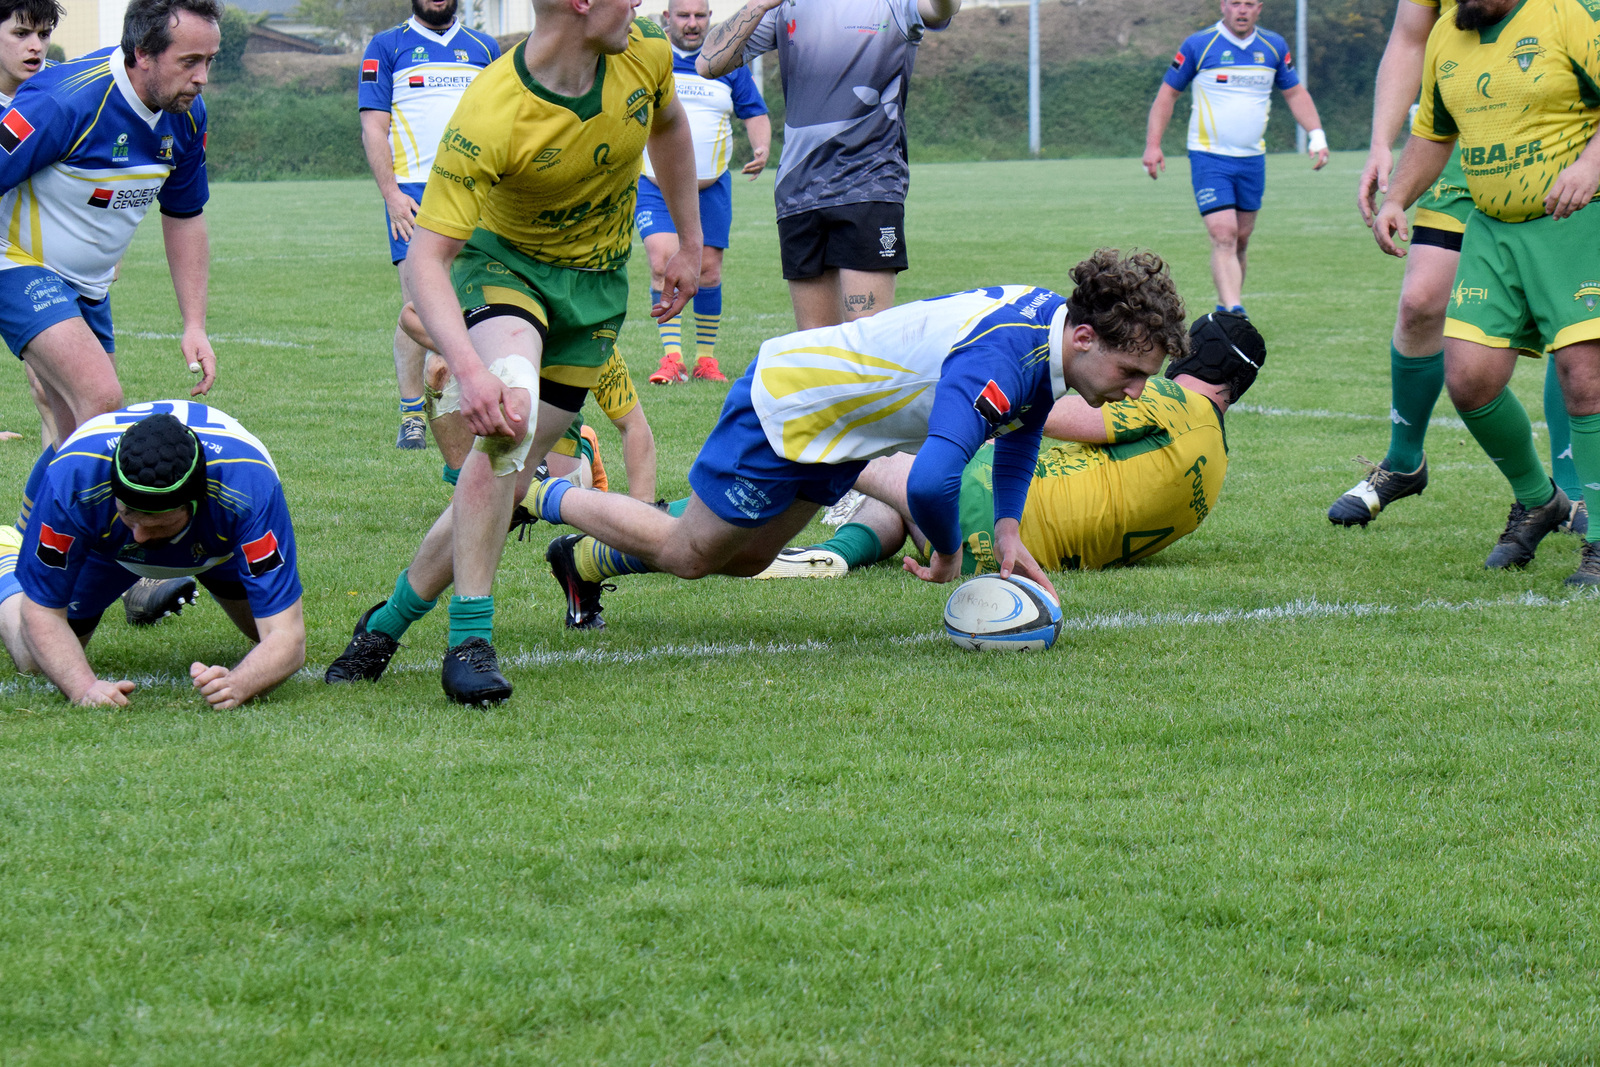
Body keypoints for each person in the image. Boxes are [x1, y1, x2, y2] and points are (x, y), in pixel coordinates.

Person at [323, 0, 703, 706]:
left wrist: (690, 239)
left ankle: (385, 623)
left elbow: (671, 127)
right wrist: (469, 371)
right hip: (505, 271)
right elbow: (426, 261)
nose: (640, 4)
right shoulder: (492, 108)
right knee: (510, 417)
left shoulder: (644, 50)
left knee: (503, 470)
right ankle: (470, 641)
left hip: (594, 292)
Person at [531, 250, 1189, 631]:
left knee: (750, 558)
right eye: (1130, 373)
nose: (1137, 391)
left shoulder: (1052, 332)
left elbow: (1024, 424)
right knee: (690, 552)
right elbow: (931, 480)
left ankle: (581, 562)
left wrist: (1009, 526)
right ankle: (539, 493)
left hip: (843, 433)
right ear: (1085, 338)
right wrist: (948, 551)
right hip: (791, 402)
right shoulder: (1002, 357)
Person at [759, 312, 1265, 579]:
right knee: (904, 493)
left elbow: (1049, 411)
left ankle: (746, 479)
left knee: (851, 445)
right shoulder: (1215, 467)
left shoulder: (1175, 400)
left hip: (1002, 519)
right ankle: (836, 555)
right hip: (1020, 560)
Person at [1331, 0, 1583, 534]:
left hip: (1556, 138)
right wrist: (1382, 143)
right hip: (1462, 144)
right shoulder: (1450, 28)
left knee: (1573, 332)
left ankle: (1575, 489)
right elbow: (1409, 39)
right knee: (1421, 303)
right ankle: (1405, 461)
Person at [0, 403, 306, 708]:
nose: (140, 537)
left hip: (218, 549)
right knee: (33, 660)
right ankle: (4, 557)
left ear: (196, 504)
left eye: (157, 524)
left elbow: (287, 637)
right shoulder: (75, 481)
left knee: (263, 635)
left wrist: (238, 684)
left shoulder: (247, 490)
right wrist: (84, 688)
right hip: (107, 549)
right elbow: (42, 613)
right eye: (128, 515)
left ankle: (146, 573)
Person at [696, 0, 960, 331]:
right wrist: (759, 5)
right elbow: (708, 63)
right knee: (816, 347)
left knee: (868, 340)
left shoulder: (895, 4)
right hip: (798, 190)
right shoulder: (785, 7)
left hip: (868, 186)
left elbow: (943, 8)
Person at [359, 0, 499, 450]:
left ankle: (465, 406)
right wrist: (391, 195)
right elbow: (374, 128)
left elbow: (503, 123)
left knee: (481, 301)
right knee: (417, 308)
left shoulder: (485, 48)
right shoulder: (386, 47)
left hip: (478, 192)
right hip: (414, 196)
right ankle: (412, 412)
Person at [1142, 0, 1328, 316]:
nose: (1242, 10)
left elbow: (1295, 93)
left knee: (1240, 239)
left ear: (1260, 8)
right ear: (1223, 6)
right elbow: (1167, 95)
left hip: (1252, 159)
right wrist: (1153, 144)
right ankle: (1234, 309)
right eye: (1235, 3)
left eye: (1249, 3)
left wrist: (1317, 135)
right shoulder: (1199, 45)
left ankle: (1226, 307)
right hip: (1209, 156)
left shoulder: (1273, 46)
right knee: (1223, 233)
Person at [640, 0, 770, 385]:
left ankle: (705, 361)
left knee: (708, 269)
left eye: (699, 15)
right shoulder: (652, 57)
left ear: (710, 18)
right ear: (668, 18)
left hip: (710, 188)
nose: (692, 23)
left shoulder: (725, 62)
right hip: (655, 184)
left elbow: (754, 111)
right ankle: (672, 359)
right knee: (662, 259)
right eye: (684, 15)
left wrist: (761, 147)